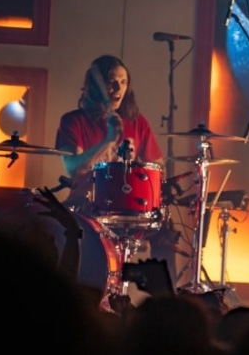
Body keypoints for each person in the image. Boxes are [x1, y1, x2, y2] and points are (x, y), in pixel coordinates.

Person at [55, 54, 179, 294]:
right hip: (88, 204)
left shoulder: (137, 122)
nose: (117, 88)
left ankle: (167, 302)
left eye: (123, 82)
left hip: (130, 207)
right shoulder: (73, 121)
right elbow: (73, 167)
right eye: (112, 82)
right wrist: (108, 140)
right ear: (95, 86)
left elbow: (157, 165)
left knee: (167, 231)